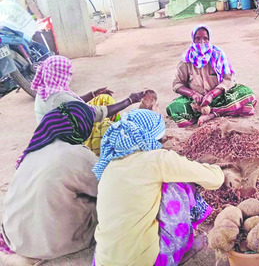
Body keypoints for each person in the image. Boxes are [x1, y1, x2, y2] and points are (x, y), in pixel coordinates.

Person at [92, 109, 224, 266]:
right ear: (152, 137)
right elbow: (215, 180)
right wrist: (216, 168)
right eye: (161, 139)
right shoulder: (157, 160)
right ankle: (180, 249)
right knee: (179, 184)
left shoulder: (109, 166)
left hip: (102, 261)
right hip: (144, 262)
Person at [1, 101, 99, 259]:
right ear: (83, 127)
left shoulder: (34, 150)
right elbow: (109, 189)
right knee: (111, 205)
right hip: (53, 244)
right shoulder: (80, 156)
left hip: (15, 237)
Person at [32, 55, 146, 155]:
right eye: (69, 74)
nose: (70, 77)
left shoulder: (46, 89)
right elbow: (95, 113)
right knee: (112, 129)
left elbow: (72, 104)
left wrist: (93, 94)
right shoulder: (58, 96)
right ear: (60, 74)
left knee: (104, 99)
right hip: (67, 141)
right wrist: (129, 100)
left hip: (60, 129)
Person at [167, 25, 256, 127]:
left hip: (219, 97)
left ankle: (211, 114)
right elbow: (177, 83)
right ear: (193, 40)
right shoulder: (186, 59)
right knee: (174, 107)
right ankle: (217, 111)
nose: (202, 42)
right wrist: (193, 94)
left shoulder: (218, 55)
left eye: (205, 38)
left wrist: (212, 94)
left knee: (247, 93)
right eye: (197, 39)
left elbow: (228, 79)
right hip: (195, 102)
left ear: (209, 39)